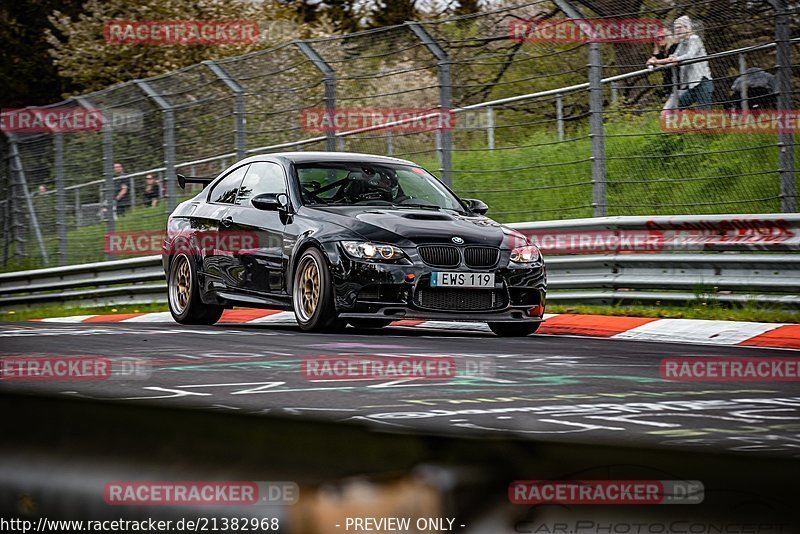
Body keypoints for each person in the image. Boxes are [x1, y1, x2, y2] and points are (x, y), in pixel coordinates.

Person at [649, 16, 713, 110]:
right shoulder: (683, 42)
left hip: (702, 81)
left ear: (687, 27)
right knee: (676, 108)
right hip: (691, 85)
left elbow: (689, 56)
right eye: (675, 28)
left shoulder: (694, 39)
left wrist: (662, 60)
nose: (677, 30)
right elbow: (674, 57)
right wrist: (656, 62)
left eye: (680, 27)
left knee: (703, 112)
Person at [647, 27, 678, 98]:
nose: (659, 40)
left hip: (677, 80)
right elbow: (651, 61)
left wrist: (657, 63)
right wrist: (656, 49)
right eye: (657, 38)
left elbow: (671, 61)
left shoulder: (674, 47)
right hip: (668, 82)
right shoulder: (663, 52)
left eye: (662, 37)